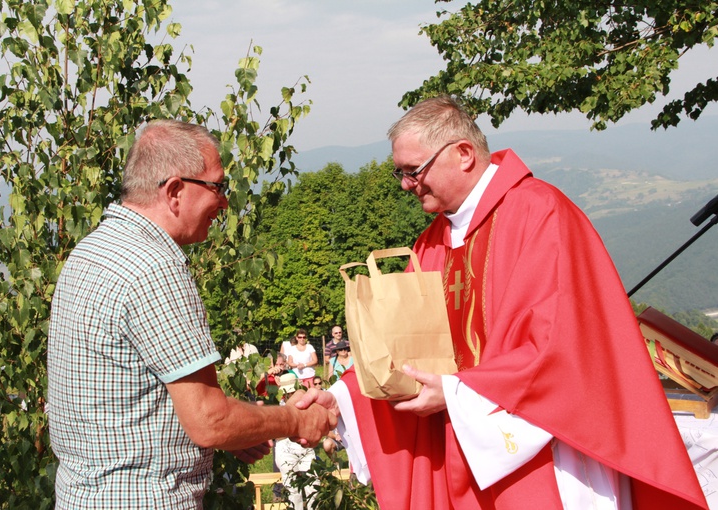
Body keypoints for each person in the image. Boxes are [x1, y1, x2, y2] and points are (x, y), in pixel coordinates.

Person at [297, 96, 708, 510]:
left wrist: (457, 393)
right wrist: (344, 398)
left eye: (414, 170)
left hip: (547, 453)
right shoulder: (432, 242)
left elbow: (563, 350)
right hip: (464, 451)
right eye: (399, 172)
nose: (406, 184)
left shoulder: (540, 213)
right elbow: (404, 347)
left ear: (463, 154)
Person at [47, 119, 335, 509]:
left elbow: (134, 401)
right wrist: (294, 420)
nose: (224, 202)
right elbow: (209, 421)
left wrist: (241, 429)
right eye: (217, 186)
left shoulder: (91, 252)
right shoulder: (154, 266)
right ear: (175, 191)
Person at [274, 373, 317, 510]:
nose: (291, 393)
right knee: (293, 491)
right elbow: (277, 435)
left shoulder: (306, 403)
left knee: (314, 486)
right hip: (285, 448)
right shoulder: (277, 405)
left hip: (304, 447)